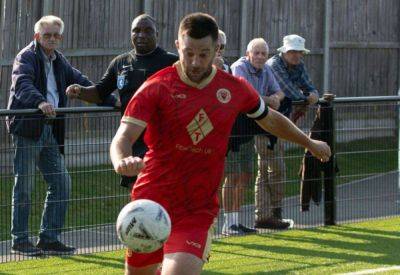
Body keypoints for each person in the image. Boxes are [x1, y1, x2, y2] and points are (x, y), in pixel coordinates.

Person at [110, 12, 330, 275]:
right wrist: (121, 160)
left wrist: (309, 142)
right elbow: (123, 136)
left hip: (196, 210)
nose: (194, 61)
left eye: (203, 54)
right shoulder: (156, 87)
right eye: (188, 52)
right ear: (178, 46)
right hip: (151, 203)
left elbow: (269, 119)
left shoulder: (234, 88)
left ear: (217, 49)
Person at [6, 15, 113, 256]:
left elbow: (83, 82)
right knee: (24, 184)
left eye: (56, 35)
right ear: (37, 36)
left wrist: (112, 100)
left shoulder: (59, 60)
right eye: (47, 35)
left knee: (61, 182)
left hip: (50, 129)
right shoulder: (26, 57)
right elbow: (22, 84)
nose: (52, 38)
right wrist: (41, 102)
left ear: (60, 37)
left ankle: (49, 238)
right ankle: (20, 240)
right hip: (28, 128)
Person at [66, 14, 178, 190]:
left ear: (157, 34)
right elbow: (100, 93)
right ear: (131, 34)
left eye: (148, 30)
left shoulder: (172, 63)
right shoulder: (121, 63)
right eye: (137, 30)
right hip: (131, 140)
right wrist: (80, 92)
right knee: (137, 195)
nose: (141, 35)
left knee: (164, 194)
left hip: (162, 141)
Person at [221, 38, 286, 235]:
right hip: (233, 130)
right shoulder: (239, 67)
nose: (259, 57)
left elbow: (280, 92)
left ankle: (237, 221)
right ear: (248, 54)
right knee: (231, 175)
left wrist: (276, 98)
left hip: (250, 129)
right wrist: (270, 100)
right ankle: (227, 223)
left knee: (245, 175)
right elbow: (247, 96)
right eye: (256, 53)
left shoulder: (266, 69)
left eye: (263, 54)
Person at [258, 34, 319, 227]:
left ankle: (269, 216)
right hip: (264, 122)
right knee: (273, 168)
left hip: (281, 123)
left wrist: (310, 95)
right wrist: (307, 96)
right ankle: (269, 215)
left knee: (270, 169)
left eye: (299, 52)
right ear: (284, 51)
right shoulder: (274, 65)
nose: (296, 55)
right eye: (292, 51)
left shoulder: (298, 65)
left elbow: (312, 90)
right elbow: (291, 92)